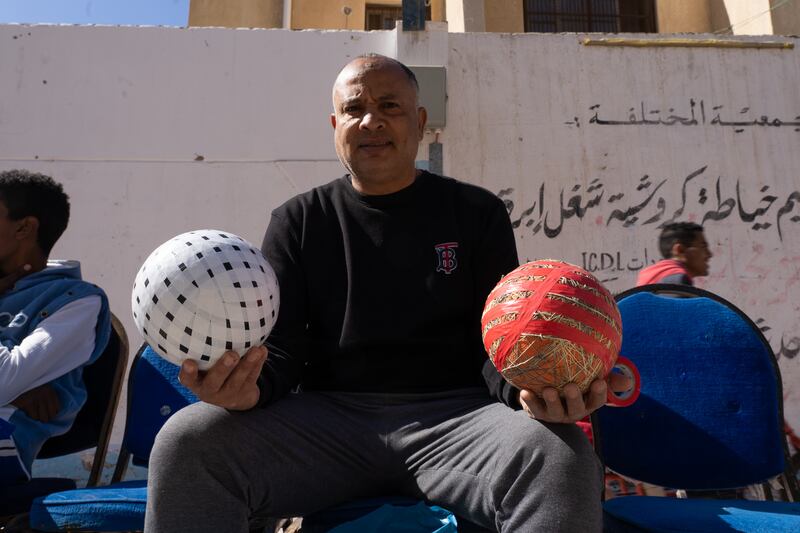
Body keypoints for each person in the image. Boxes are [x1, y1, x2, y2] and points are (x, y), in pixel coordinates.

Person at [146, 55, 629, 532]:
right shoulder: (297, 221)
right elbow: (283, 349)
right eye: (355, 109)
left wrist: (527, 392)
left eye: (390, 106)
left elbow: (499, 344)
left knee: (560, 455)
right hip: (327, 424)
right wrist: (247, 389)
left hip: (460, 422)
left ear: (420, 122)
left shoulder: (476, 212)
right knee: (188, 441)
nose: (371, 120)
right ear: (336, 125)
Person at [0, 169, 111, 486]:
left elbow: (4, 381)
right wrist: (18, 392)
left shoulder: (76, 302)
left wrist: (12, 390)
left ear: (25, 227)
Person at [636, 222, 712, 286]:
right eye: (703, 246)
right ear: (680, 250)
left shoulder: (645, 274)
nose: (709, 254)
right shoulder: (678, 279)